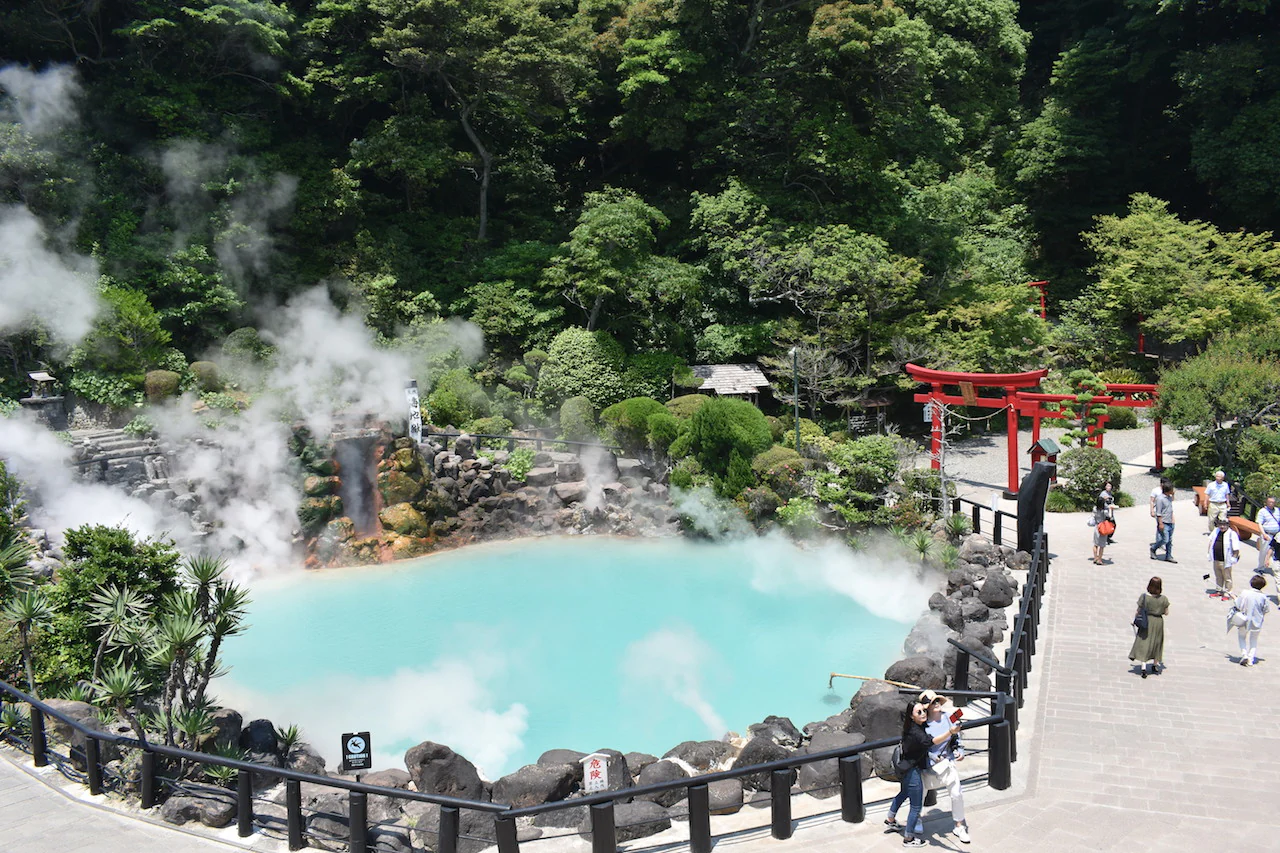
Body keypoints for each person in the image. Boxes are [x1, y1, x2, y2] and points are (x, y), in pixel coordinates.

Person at [920, 690, 971, 844]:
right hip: (927, 767)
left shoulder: (949, 716)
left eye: (937, 701)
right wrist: (932, 757)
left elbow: (957, 735)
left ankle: (959, 825)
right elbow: (920, 746)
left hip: (947, 763)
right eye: (932, 703)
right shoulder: (921, 724)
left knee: (957, 794)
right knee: (919, 796)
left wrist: (959, 750)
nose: (936, 704)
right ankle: (916, 820)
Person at [884, 702, 935, 847]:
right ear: (912, 717)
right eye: (919, 712)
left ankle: (891, 819)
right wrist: (950, 733)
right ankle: (909, 838)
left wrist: (925, 705)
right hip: (912, 771)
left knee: (904, 792)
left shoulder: (910, 727)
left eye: (924, 711)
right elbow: (930, 742)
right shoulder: (916, 733)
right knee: (916, 806)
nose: (923, 713)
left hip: (905, 768)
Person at [1129, 576, 1170, 678]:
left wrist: (1134, 621)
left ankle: (1143, 666)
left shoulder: (1144, 597)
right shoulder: (1164, 599)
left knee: (1144, 642)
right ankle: (1155, 664)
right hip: (1158, 623)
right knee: (1157, 643)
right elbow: (1166, 613)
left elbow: (1138, 610)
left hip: (1147, 621)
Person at [1229, 574, 1270, 666]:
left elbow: (1238, 604)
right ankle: (1251, 659)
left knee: (1241, 637)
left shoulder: (1245, 593)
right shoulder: (1264, 597)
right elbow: (1266, 610)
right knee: (1253, 640)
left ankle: (1244, 655)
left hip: (1244, 620)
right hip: (1257, 622)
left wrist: (1234, 598)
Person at [1207, 516, 1241, 598]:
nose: (1222, 527)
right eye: (1220, 525)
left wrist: (1234, 557)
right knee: (1218, 575)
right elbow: (1211, 541)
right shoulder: (1216, 531)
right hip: (1216, 558)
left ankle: (1228, 592)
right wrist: (1208, 553)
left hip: (1226, 560)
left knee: (1227, 577)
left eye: (1224, 525)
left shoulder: (1232, 534)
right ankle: (1219, 590)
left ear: (1228, 525)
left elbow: (1236, 548)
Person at [1150, 483, 1176, 563]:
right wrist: (1160, 523)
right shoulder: (1160, 499)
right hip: (1163, 522)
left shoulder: (1169, 497)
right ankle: (1153, 548)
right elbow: (1158, 513)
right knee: (1165, 539)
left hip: (1170, 521)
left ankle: (1168, 556)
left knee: (1169, 541)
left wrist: (1173, 519)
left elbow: (1171, 505)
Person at [1255, 496, 1280, 572]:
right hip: (1267, 534)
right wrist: (1263, 534)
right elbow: (1259, 524)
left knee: (1276, 552)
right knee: (1264, 551)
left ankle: (1275, 567)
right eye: (1269, 502)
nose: (1271, 504)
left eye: (1272, 502)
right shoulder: (1262, 511)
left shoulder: (1277, 510)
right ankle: (1261, 568)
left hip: (1277, 534)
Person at [1090, 497, 1110, 565]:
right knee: (1102, 545)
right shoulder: (1104, 511)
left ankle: (1095, 558)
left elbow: (1093, 516)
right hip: (1103, 527)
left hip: (1096, 527)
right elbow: (1108, 516)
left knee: (1095, 544)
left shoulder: (1095, 509)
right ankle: (1099, 560)